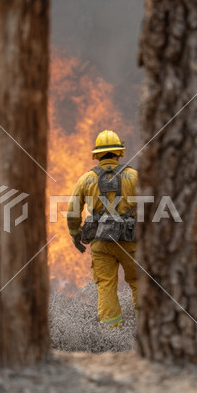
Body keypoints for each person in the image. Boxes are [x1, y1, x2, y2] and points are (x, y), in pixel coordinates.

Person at [67, 130, 138, 327]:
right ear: (119, 153)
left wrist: (75, 234)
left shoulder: (86, 180)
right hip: (131, 242)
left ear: (96, 155)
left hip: (101, 243)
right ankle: (146, 332)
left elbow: (73, 211)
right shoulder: (134, 177)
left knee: (106, 286)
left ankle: (112, 336)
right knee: (139, 283)